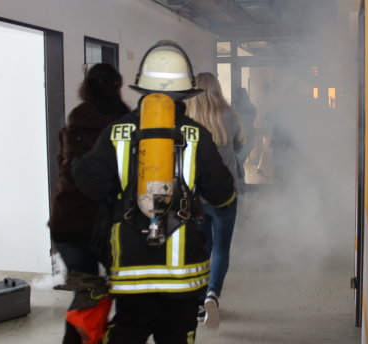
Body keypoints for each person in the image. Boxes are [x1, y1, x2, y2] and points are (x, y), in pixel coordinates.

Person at [72, 41, 235, 344]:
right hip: (182, 272)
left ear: (142, 89)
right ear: (186, 94)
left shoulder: (116, 132)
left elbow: (89, 186)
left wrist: (79, 163)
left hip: (131, 269)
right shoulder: (196, 135)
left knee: (127, 333)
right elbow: (223, 194)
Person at [47, 63, 130, 344]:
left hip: (67, 220)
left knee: (86, 293)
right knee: (127, 291)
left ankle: (78, 339)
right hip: (106, 223)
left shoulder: (74, 119)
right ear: (117, 86)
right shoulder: (125, 122)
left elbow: (64, 166)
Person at [185, 72, 244, 328]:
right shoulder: (230, 117)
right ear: (217, 89)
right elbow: (239, 147)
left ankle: (199, 302)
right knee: (221, 248)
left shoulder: (187, 119)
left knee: (202, 248)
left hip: (197, 197)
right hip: (225, 194)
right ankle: (213, 294)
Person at [232, 87, 257, 178]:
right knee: (237, 164)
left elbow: (245, 122)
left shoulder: (249, 108)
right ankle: (240, 185)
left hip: (246, 139)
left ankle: (240, 185)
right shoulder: (234, 106)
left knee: (238, 163)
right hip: (239, 140)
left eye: (235, 95)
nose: (233, 97)